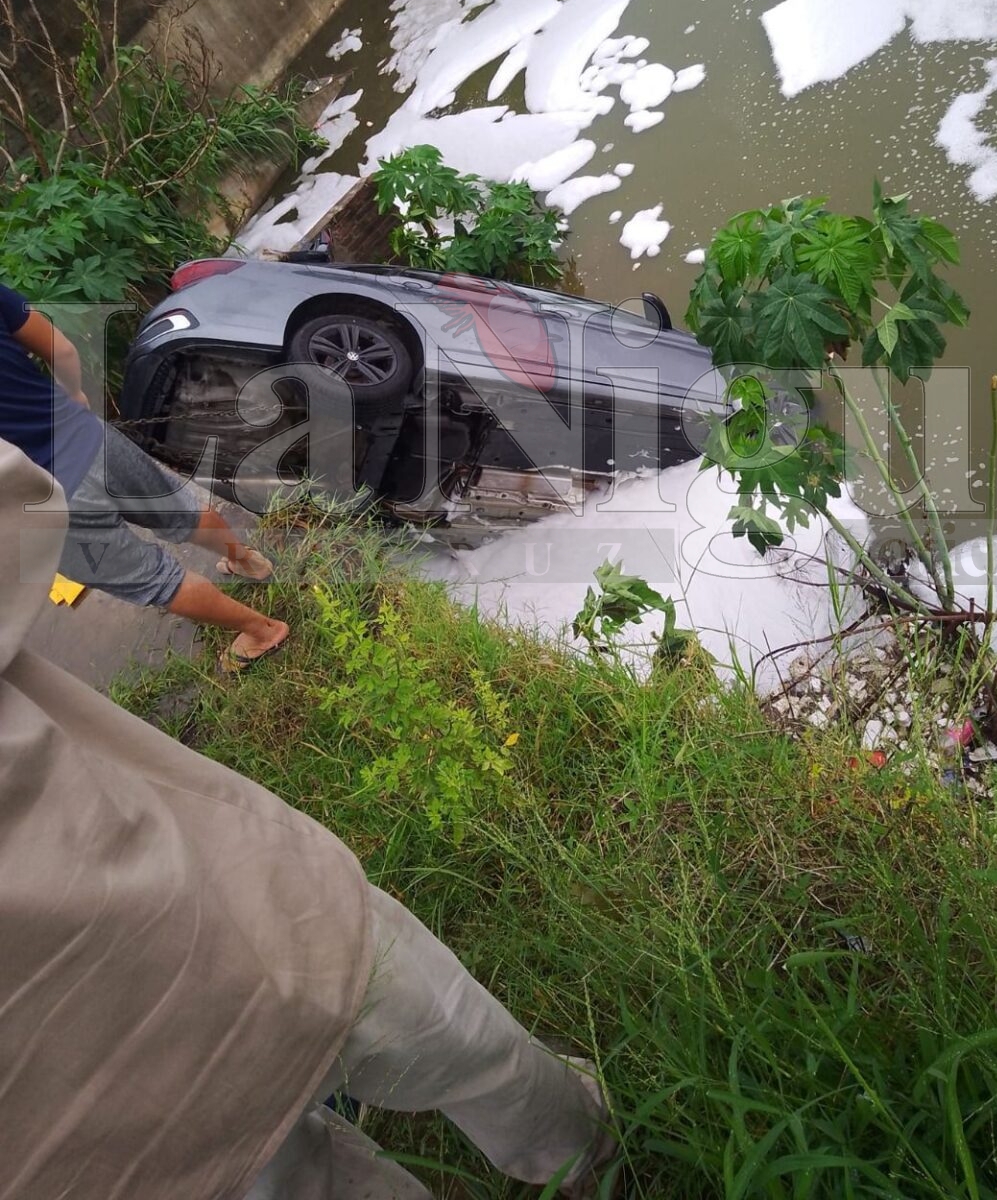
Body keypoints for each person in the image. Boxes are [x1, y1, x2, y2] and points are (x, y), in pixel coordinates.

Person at [0, 437, 616, 1199]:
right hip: (209, 905)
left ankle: (579, 1150)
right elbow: (20, 506)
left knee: (304, 1162)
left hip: (88, 1143)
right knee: (452, 1038)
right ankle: (589, 1156)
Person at [0, 281, 288, 668]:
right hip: (90, 437)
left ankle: (262, 631)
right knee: (180, 511)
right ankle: (247, 561)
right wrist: (75, 401)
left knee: (155, 580)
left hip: (41, 497)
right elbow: (61, 349)